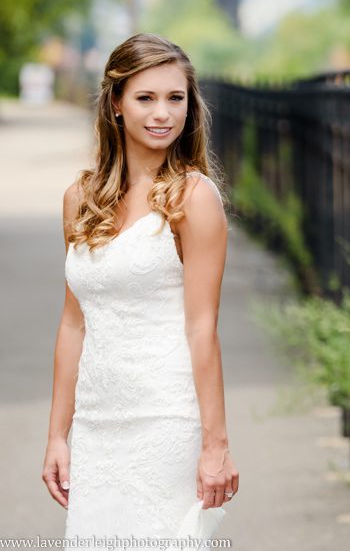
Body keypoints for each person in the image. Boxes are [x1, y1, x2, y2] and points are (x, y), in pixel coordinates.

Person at [41, 33, 238, 547]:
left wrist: (215, 445)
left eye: (176, 98)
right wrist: (57, 435)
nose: (163, 114)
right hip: (98, 425)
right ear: (115, 104)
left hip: (164, 418)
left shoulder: (193, 198)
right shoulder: (79, 200)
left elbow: (202, 327)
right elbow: (73, 321)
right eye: (145, 98)